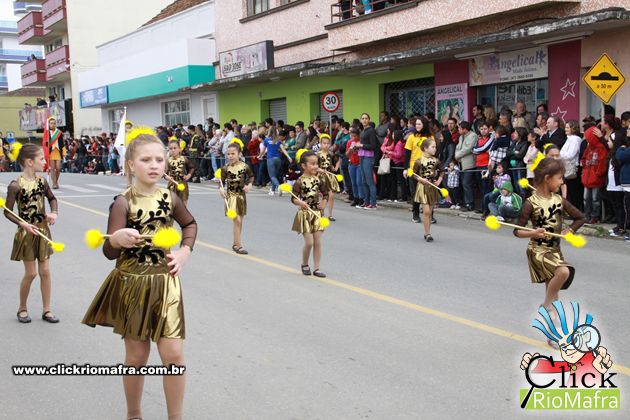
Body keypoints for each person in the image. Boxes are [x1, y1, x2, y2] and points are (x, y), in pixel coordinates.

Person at [82, 130, 197, 420]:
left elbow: (190, 224)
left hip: (166, 283)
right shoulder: (123, 202)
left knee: (173, 355)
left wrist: (185, 251)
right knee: (137, 356)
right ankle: (134, 414)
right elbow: (109, 252)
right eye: (146, 160)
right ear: (131, 165)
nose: (154, 165)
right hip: (133, 285)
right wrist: (116, 239)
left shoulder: (170, 197)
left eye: (159, 159)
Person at [513, 158, 585, 346]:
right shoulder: (531, 203)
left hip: (555, 250)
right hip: (538, 251)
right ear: (547, 178)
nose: (562, 182)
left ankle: (552, 334)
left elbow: (580, 217)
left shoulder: (559, 200)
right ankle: (545, 307)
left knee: (554, 295)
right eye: (559, 178)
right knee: (563, 272)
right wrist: (533, 233)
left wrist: (569, 230)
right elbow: (517, 231)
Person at [4, 144, 59, 324]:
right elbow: (7, 212)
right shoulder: (15, 185)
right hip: (26, 233)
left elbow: (52, 199)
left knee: (45, 271)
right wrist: (23, 224)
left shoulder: (42, 181)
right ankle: (22, 308)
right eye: (41, 159)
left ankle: (47, 310)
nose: (44, 162)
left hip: (42, 230)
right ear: (29, 162)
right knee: (31, 273)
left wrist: (53, 213)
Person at [291, 151, 329, 278]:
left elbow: (326, 194)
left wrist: (323, 203)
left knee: (318, 241)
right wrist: (300, 202)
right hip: (305, 214)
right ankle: (305, 264)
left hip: (317, 214)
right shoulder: (299, 181)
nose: (315, 166)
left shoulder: (318, 180)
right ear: (303, 166)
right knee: (309, 242)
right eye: (312, 164)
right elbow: (293, 198)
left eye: (316, 163)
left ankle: (317, 268)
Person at [219, 143, 254, 255]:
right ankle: (239, 246)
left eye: (233, 154)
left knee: (239, 222)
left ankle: (235, 243)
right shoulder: (225, 168)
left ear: (239, 154)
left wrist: (249, 185)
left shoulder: (245, 166)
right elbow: (220, 182)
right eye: (228, 154)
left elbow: (251, 176)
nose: (230, 156)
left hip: (241, 197)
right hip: (230, 197)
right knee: (237, 220)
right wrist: (221, 190)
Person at [412, 138, 443, 242]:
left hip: (432, 186)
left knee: (430, 212)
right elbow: (413, 174)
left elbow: (442, 171)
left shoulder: (436, 160)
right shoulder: (419, 161)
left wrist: (439, 180)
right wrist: (420, 179)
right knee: (426, 211)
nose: (435, 149)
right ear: (425, 149)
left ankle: (427, 232)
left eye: (435, 147)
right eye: (432, 147)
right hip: (422, 187)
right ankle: (427, 233)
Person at [404, 117, 432, 220]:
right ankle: (415, 214)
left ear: (424, 125)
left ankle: (430, 215)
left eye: (419, 124)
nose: (417, 126)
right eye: (416, 124)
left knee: (428, 192)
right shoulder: (411, 137)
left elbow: (434, 152)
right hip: (414, 168)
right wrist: (406, 168)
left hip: (427, 167)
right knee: (416, 192)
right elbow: (407, 154)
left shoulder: (430, 137)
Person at [581, 126, 608, 224]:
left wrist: (598, 173)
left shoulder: (601, 148)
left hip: (596, 179)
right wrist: (584, 167)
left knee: (595, 199)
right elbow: (583, 158)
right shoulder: (589, 148)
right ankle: (586, 215)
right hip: (587, 178)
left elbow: (602, 162)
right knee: (586, 198)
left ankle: (594, 216)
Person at [259, 128, 292, 196]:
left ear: (269, 132)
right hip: (278, 160)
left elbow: (263, 150)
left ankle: (278, 187)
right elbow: (283, 150)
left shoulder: (266, 140)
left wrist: (260, 156)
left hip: (270, 159)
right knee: (275, 176)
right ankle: (272, 190)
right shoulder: (278, 140)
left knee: (272, 176)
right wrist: (289, 157)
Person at [454, 121, 478, 211]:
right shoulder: (461, 137)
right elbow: (458, 147)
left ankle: (470, 203)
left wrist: (457, 155)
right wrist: (457, 155)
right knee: (463, 184)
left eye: (460, 128)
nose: (458, 130)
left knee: (467, 184)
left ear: (465, 129)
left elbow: (467, 149)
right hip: (461, 163)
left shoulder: (473, 136)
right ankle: (466, 202)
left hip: (469, 164)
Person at [559, 120, 583, 210]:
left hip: (572, 167)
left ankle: (575, 209)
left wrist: (559, 154)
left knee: (574, 191)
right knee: (570, 190)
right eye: (565, 127)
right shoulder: (569, 139)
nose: (565, 129)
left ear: (573, 128)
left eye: (568, 127)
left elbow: (571, 154)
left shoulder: (575, 139)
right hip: (567, 166)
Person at [317, 134, 341, 220]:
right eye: (324, 143)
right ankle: (321, 212)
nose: (326, 145)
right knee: (323, 195)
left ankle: (330, 215)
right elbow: (314, 166)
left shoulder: (331, 154)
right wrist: (320, 170)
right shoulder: (317, 155)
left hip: (329, 176)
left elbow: (334, 164)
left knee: (331, 195)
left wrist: (335, 167)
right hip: (320, 176)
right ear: (320, 144)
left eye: (328, 143)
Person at [357, 113, 379, 209]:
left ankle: (373, 203)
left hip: (368, 157)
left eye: (366, 118)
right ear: (360, 120)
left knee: (370, 181)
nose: (364, 120)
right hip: (362, 156)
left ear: (369, 120)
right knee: (364, 181)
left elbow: (373, 146)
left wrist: (361, 145)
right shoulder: (363, 130)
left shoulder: (371, 130)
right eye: (363, 118)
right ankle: (366, 202)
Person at [166, 140, 195, 206]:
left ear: (179, 149)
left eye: (175, 148)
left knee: (183, 205)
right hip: (172, 185)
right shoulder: (168, 160)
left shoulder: (184, 159)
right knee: (172, 206)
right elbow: (164, 173)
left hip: (182, 184)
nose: (173, 150)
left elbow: (192, 167)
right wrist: (167, 177)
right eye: (171, 149)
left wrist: (188, 175)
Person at [346, 128, 364, 207]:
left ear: (358, 135)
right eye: (352, 136)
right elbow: (346, 155)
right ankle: (355, 198)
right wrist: (350, 149)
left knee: (359, 182)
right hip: (352, 163)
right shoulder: (349, 142)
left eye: (355, 136)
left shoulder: (361, 141)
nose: (353, 138)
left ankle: (361, 198)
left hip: (359, 163)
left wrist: (358, 147)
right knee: (353, 182)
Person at [44, 117, 63, 189]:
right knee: (52, 169)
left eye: (54, 123)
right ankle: (54, 183)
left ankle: (56, 181)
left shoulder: (59, 132)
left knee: (58, 168)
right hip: (51, 152)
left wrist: (64, 151)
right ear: (49, 124)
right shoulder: (47, 133)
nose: (53, 125)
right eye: (51, 123)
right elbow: (45, 143)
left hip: (57, 151)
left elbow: (62, 143)